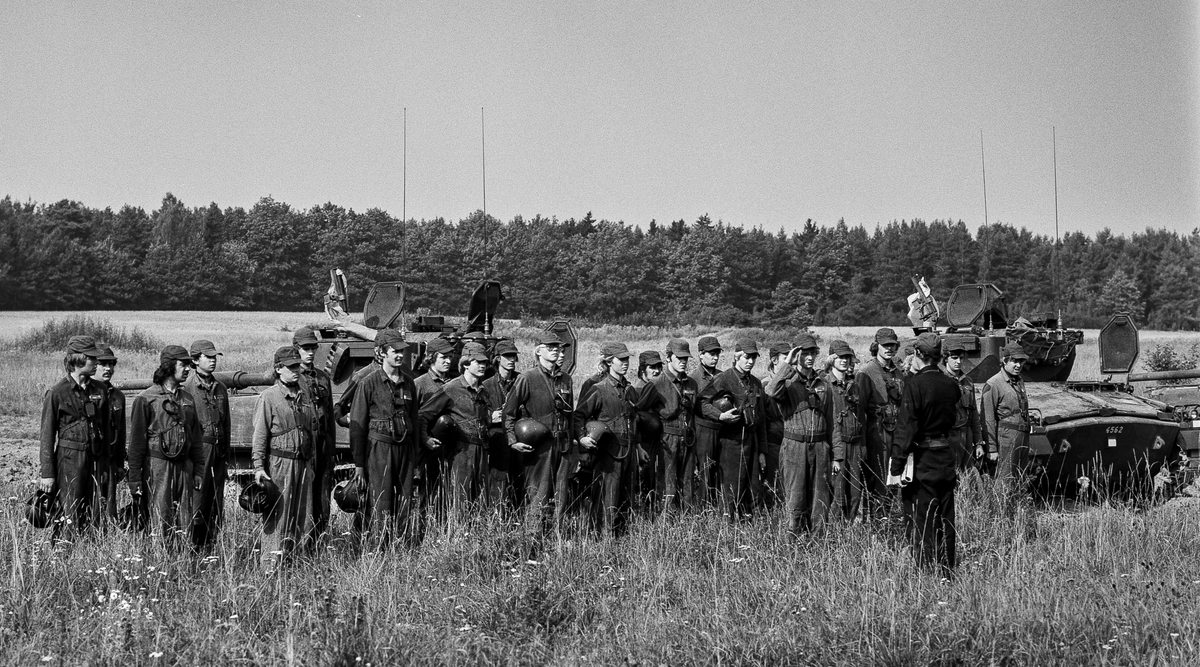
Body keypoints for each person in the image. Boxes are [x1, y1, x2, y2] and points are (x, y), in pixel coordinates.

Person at [889, 332, 961, 576]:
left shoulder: (915, 385)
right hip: (946, 456)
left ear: (919, 355)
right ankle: (947, 570)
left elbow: (906, 427)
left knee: (923, 517)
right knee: (946, 517)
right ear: (940, 356)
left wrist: (896, 466)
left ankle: (925, 571)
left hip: (923, 458)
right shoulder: (952, 385)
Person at [348, 329, 425, 546]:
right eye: (395, 351)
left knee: (405, 500)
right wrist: (359, 465)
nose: (400, 355)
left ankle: (402, 547)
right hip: (379, 449)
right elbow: (358, 427)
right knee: (380, 501)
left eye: (402, 350)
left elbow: (414, 421)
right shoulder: (368, 383)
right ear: (382, 353)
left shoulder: (409, 383)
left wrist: (416, 459)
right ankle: (377, 547)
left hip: (405, 450)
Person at [127, 345, 205, 548]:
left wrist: (198, 470)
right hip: (157, 466)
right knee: (160, 518)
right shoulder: (145, 399)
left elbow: (195, 438)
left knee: (185, 518)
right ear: (169, 367)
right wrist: (135, 478)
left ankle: (183, 564)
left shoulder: (187, 398)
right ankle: (160, 564)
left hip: (185, 467)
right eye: (183, 364)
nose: (188, 369)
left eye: (189, 364)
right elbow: (136, 443)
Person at [251, 346, 320, 571]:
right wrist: (259, 466)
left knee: (304, 516)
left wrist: (311, 463)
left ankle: (297, 565)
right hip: (280, 465)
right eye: (291, 367)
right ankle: (270, 568)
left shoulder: (305, 395)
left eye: (297, 366)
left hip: (303, 463)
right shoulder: (269, 397)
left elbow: (312, 431)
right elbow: (260, 434)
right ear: (278, 369)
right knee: (277, 517)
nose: (296, 370)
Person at [503, 331, 574, 529]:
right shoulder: (527, 377)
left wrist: (573, 445)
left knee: (561, 495)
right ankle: (532, 541)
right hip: (540, 447)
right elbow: (509, 412)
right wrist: (512, 440)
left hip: (563, 445)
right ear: (538, 351)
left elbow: (570, 415)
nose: (556, 352)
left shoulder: (566, 379)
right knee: (537, 495)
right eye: (550, 348)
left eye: (558, 348)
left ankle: (556, 539)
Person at [39, 335, 106, 541]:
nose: (97, 363)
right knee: (69, 509)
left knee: (95, 509)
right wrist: (47, 474)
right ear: (78, 359)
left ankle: (91, 553)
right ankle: (63, 552)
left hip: (96, 457)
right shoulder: (57, 393)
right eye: (92, 358)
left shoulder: (100, 390)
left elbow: (108, 430)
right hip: (69, 459)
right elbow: (47, 436)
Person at [764, 334, 834, 533]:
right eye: (805, 353)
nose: (810, 357)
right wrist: (788, 364)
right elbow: (770, 391)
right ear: (797, 355)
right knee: (795, 498)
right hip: (795, 446)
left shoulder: (823, 383)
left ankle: (819, 542)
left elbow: (831, 421)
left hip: (820, 447)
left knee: (820, 499)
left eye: (813, 353)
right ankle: (793, 543)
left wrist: (834, 454)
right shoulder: (787, 382)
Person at [574, 343, 642, 535]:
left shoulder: (630, 390)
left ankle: (621, 536)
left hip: (628, 450)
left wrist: (638, 447)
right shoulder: (599, 389)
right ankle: (602, 538)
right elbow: (579, 415)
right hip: (608, 451)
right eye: (621, 360)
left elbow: (633, 419)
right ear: (609, 362)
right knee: (607, 495)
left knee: (627, 495)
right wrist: (582, 438)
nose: (625, 363)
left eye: (627, 359)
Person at [698, 338, 766, 521]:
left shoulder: (756, 383)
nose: (750, 361)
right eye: (746, 357)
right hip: (731, 440)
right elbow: (702, 403)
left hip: (752, 440)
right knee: (731, 486)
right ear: (736, 358)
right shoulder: (724, 378)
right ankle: (727, 526)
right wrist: (720, 416)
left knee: (753, 486)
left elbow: (761, 420)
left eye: (753, 357)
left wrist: (762, 452)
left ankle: (749, 525)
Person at [421, 343, 493, 514]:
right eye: (477, 362)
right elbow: (423, 415)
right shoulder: (451, 388)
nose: (483, 365)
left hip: (481, 450)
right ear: (466, 364)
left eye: (484, 362)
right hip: (460, 452)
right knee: (459, 498)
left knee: (480, 500)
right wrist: (425, 438)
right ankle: (455, 535)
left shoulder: (483, 391)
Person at [185, 339, 231, 549]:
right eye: (208, 357)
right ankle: (191, 546)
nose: (212, 361)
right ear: (195, 360)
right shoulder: (187, 388)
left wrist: (225, 454)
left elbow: (226, 422)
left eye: (214, 357)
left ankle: (209, 547)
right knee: (196, 500)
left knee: (215, 502)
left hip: (218, 450)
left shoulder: (220, 387)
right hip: (199, 451)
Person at [293, 326, 336, 541]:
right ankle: (302, 539)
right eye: (305, 348)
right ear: (296, 349)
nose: (310, 352)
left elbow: (329, 414)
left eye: (313, 348)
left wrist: (332, 448)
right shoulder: (291, 377)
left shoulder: (322, 377)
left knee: (322, 493)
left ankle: (318, 540)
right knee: (304, 495)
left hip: (323, 442)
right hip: (304, 444)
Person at [857, 327, 905, 513]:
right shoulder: (867, 372)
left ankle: (890, 519)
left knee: (895, 479)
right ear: (877, 346)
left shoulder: (899, 373)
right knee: (877, 479)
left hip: (896, 431)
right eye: (885, 345)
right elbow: (860, 410)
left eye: (892, 345)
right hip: (876, 433)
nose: (889, 349)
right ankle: (876, 524)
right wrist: (863, 442)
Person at [651, 339, 699, 512]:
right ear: (668, 357)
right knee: (667, 484)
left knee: (687, 483)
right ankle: (665, 523)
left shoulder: (692, 383)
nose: (683, 361)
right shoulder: (658, 383)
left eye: (685, 358)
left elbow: (696, 411)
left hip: (688, 439)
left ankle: (687, 522)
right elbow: (643, 412)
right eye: (679, 357)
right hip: (666, 439)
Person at [825, 340, 868, 522]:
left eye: (847, 357)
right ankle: (834, 535)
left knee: (855, 493)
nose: (844, 360)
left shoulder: (854, 385)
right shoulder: (825, 385)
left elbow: (861, 416)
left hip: (856, 443)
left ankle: (848, 531)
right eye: (840, 357)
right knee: (837, 493)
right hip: (838, 444)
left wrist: (863, 446)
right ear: (831, 359)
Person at [415, 337, 456, 521]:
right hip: (428, 449)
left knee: (449, 495)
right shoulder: (420, 384)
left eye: (450, 357)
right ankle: (423, 534)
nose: (448, 361)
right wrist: (423, 440)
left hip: (452, 448)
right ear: (431, 358)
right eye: (443, 357)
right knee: (427, 496)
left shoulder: (455, 383)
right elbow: (414, 417)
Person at [981, 343, 1030, 487]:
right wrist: (992, 449)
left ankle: (1018, 507)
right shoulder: (994, 384)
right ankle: (1000, 508)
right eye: (1014, 361)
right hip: (1006, 436)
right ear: (1005, 360)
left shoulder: (1019, 381)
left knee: (1021, 477)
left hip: (1022, 435)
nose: (1018, 365)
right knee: (1005, 479)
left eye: (1021, 361)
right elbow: (987, 419)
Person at [482, 339, 522, 511]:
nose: (511, 359)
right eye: (507, 356)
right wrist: (492, 416)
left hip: (520, 436)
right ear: (498, 358)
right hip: (497, 439)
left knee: (519, 480)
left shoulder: (522, 381)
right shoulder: (487, 385)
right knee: (497, 481)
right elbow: (479, 415)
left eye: (513, 356)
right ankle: (496, 516)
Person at [940, 339, 984, 472]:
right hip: (947, 436)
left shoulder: (968, 382)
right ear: (946, 358)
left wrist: (978, 443)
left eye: (961, 358)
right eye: (954, 358)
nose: (958, 361)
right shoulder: (939, 380)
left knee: (966, 475)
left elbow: (974, 415)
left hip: (966, 435)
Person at [94, 344, 126, 526]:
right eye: (103, 364)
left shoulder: (118, 397)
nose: (108, 369)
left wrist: (120, 464)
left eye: (111, 364)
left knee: (110, 510)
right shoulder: (87, 395)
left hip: (112, 461)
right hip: (92, 461)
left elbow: (121, 434)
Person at [631, 351, 665, 514]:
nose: (657, 371)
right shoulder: (636, 391)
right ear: (642, 369)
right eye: (652, 367)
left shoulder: (659, 389)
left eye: (659, 367)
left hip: (656, 444)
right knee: (642, 482)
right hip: (641, 444)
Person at [693, 335, 723, 504]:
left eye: (717, 353)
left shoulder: (722, 376)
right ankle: (702, 510)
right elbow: (697, 406)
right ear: (700, 354)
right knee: (705, 471)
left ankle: (720, 508)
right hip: (702, 430)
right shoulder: (693, 379)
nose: (715, 357)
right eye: (711, 354)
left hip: (722, 429)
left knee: (721, 471)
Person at [758, 343, 789, 509]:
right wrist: (762, 451)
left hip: (790, 442)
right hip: (772, 443)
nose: (790, 362)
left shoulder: (792, 383)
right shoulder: (764, 385)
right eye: (785, 358)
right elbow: (761, 421)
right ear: (774, 360)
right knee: (772, 483)